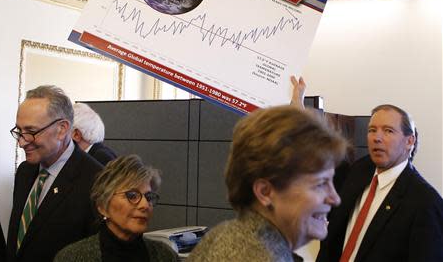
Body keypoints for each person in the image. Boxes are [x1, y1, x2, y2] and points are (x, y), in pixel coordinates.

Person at [291, 77, 443, 262]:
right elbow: (322, 161)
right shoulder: (360, 170)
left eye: (388, 131)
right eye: (372, 130)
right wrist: (298, 119)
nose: (376, 138)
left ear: (409, 141)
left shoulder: (426, 203)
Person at [187, 105, 348, 262]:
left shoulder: (226, 235)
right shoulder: (254, 255)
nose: (335, 198)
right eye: (320, 184)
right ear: (265, 192)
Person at [7, 85, 103, 262]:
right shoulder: (24, 172)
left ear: (62, 129)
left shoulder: (97, 181)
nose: (21, 142)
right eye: (19, 131)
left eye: (31, 132)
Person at [54, 154, 179, 262]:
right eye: (132, 196)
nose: (145, 205)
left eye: (149, 197)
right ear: (103, 207)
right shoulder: (72, 257)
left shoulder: (165, 256)